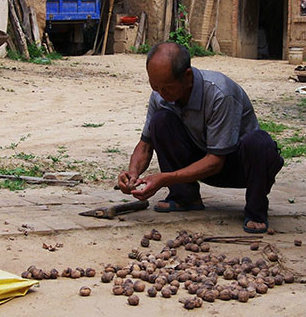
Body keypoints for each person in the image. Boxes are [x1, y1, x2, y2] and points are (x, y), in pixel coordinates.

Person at [117, 42, 284, 234]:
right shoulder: (160, 94)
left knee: (259, 142)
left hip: (240, 166)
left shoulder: (220, 94)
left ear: (187, 76)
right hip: (202, 159)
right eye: (155, 86)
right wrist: (132, 174)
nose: (161, 93)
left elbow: (216, 161)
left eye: (167, 88)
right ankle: (184, 197)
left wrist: (164, 179)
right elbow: (145, 145)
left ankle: (256, 211)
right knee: (161, 121)